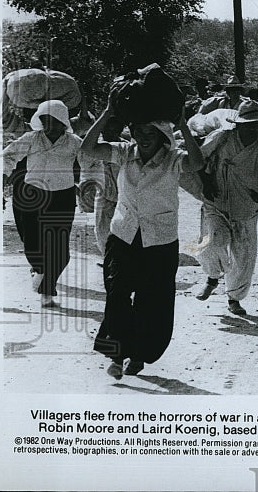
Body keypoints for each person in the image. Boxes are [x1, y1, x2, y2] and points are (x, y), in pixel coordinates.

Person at [82, 102, 204, 379]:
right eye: (140, 130)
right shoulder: (124, 153)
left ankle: (138, 355)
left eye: (152, 131)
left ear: (163, 136)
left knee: (153, 301)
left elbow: (198, 163)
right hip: (124, 234)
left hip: (159, 240)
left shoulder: (174, 158)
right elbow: (88, 150)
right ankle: (116, 354)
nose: (145, 136)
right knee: (117, 293)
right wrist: (107, 113)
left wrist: (182, 123)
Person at [193, 100, 258, 316]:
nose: (253, 129)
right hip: (215, 202)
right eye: (248, 125)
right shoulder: (221, 138)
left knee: (243, 256)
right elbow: (199, 158)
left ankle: (234, 298)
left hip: (244, 208)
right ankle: (211, 277)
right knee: (211, 243)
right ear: (238, 125)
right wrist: (205, 181)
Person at [3, 99, 99, 307]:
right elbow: (8, 156)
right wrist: (1, 176)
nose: (51, 127)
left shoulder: (74, 142)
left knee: (60, 252)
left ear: (64, 122)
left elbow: (90, 162)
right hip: (30, 195)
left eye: (55, 122)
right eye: (46, 121)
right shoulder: (31, 138)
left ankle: (46, 285)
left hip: (61, 197)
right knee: (31, 242)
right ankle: (40, 273)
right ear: (40, 121)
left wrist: (89, 184)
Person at [92, 115, 125, 257]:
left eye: (113, 130)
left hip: (124, 197)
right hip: (103, 196)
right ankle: (108, 258)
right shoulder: (95, 147)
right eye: (106, 130)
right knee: (102, 229)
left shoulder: (126, 148)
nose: (109, 134)